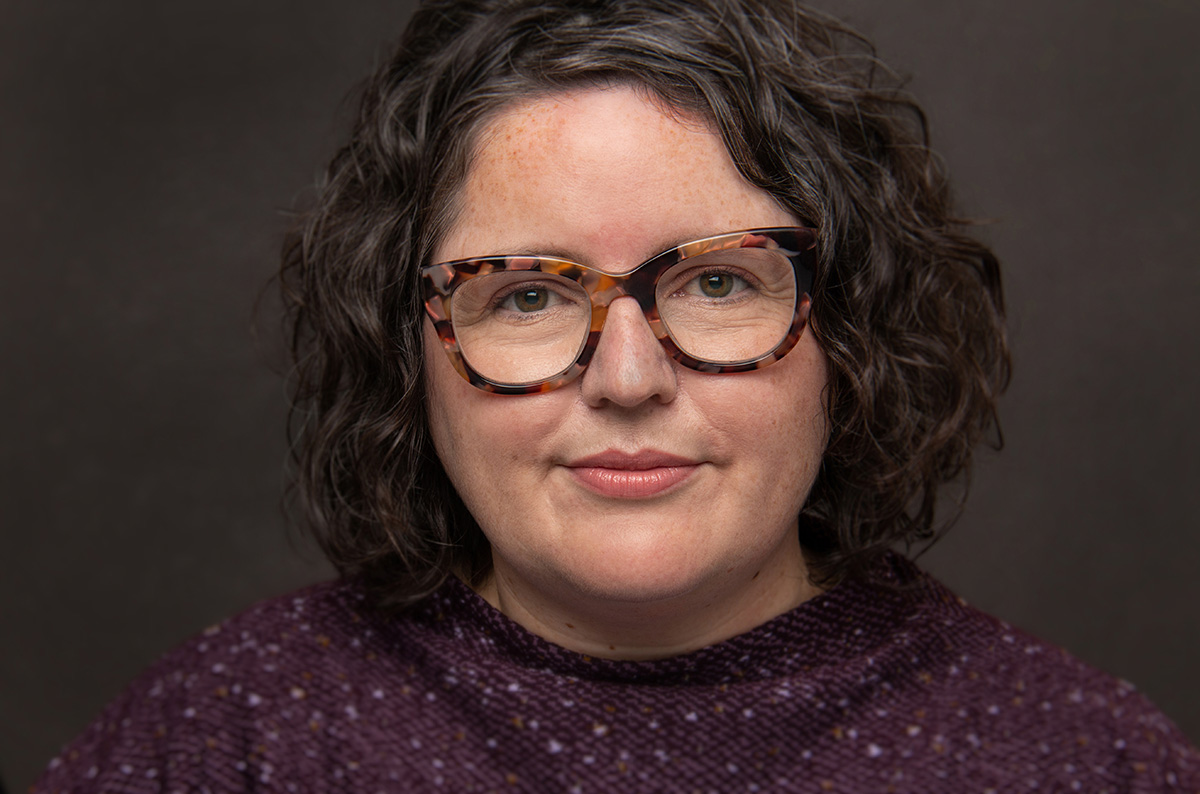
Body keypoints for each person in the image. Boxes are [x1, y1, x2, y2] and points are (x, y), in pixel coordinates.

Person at [34, 0, 1198, 791]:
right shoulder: (226, 739)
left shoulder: (1081, 758)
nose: (629, 378)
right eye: (528, 295)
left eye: (722, 280)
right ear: (412, 345)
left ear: (851, 327)